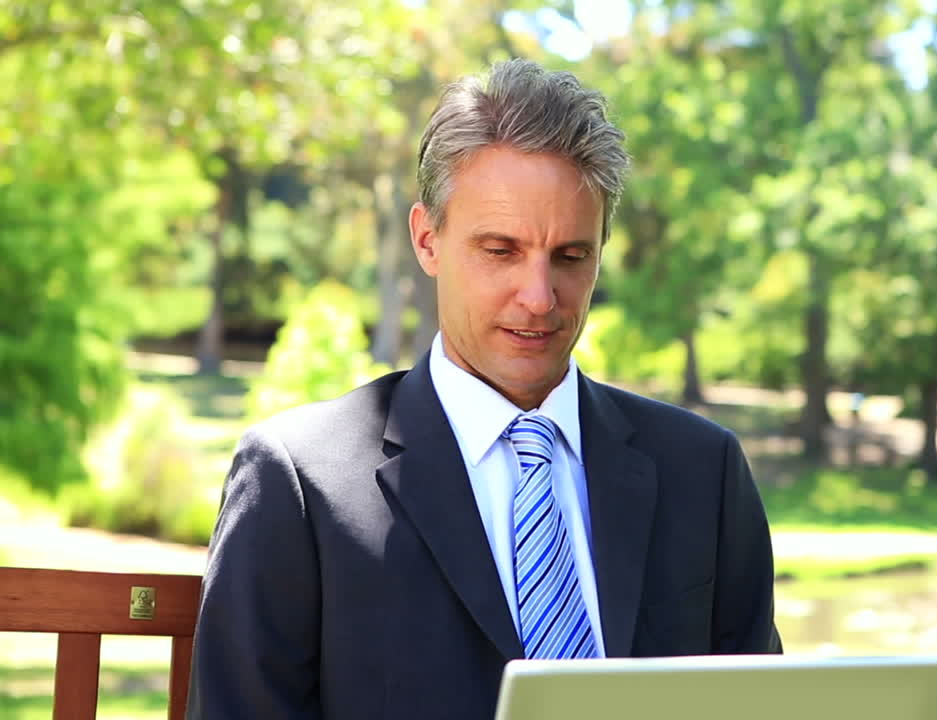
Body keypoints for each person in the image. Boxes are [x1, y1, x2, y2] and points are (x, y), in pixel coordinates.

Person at [186, 58, 782, 720]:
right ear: (427, 240)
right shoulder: (297, 482)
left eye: (571, 256)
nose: (539, 297)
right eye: (500, 250)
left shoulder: (706, 471)